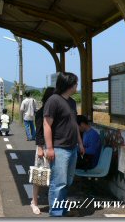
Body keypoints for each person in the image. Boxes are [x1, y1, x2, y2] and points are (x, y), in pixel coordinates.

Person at [43, 72, 85, 217]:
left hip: (72, 147)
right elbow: (47, 125)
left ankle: (63, 210)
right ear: (69, 85)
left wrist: (80, 143)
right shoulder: (53, 100)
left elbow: (74, 125)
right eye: (75, 83)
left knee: (67, 182)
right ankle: (56, 214)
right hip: (59, 148)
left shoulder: (72, 102)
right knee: (58, 183)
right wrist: (49, 148)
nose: (77, 86)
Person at [30, 86, 55, 215]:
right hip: (43, 147)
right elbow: (39, 132)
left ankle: (53, 204)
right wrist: (40, 147)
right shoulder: (41, 112)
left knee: (53, 176)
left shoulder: (55, 111)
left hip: (53, 147)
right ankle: (34, 202)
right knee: (39, 175)